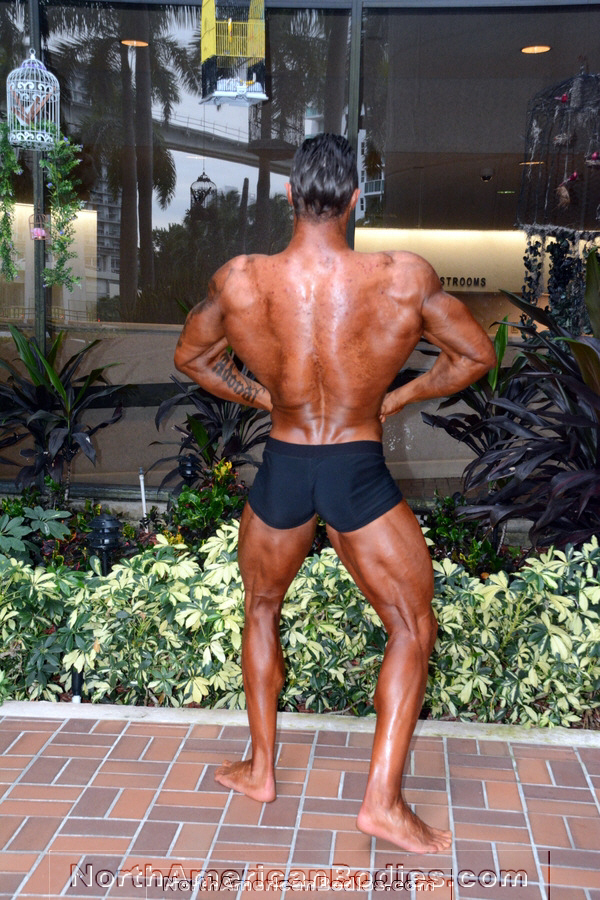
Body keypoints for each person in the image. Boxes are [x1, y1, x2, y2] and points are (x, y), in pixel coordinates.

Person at [174, 133, 496, 854]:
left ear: (290, 195)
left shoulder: (240, 280)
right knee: (411, 627)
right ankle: (381, 801)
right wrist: (397, 397)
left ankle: (261, 770)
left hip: (284, 465)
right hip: (356, 467)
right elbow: (475, 355)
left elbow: (192, 357)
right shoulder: (402, 277)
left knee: (261, 608)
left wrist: (263, 398)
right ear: (354, 200)